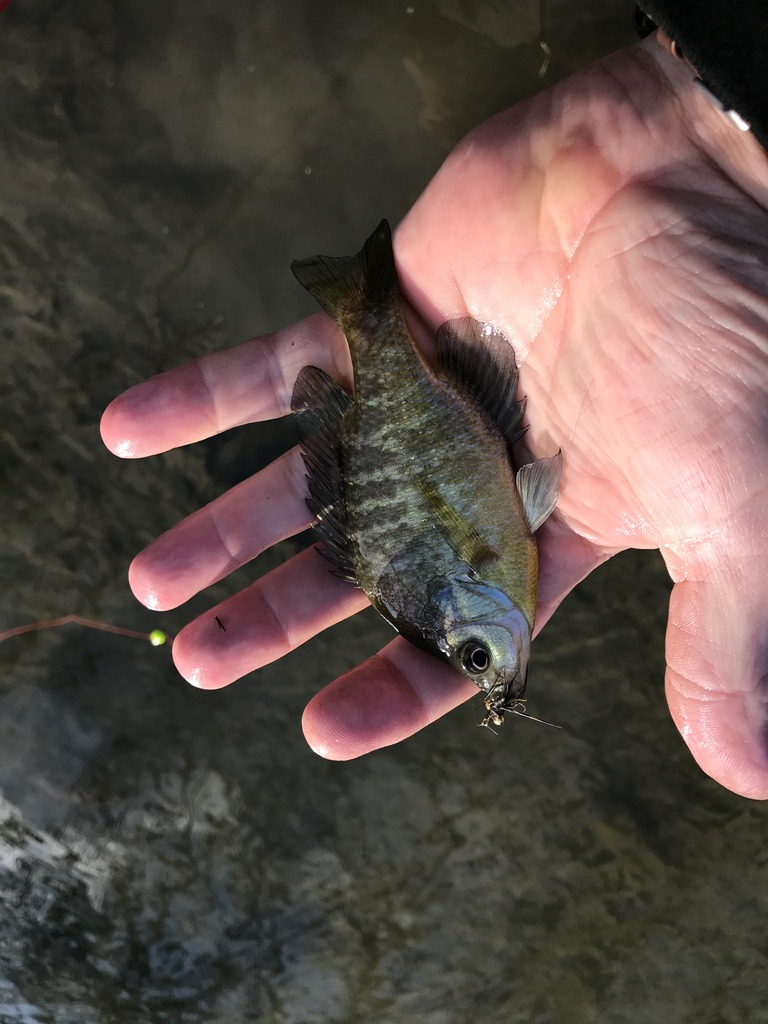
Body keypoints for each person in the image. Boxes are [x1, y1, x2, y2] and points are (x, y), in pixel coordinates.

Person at [100, 28, 768, 800]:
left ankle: (364, 298)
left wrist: (712, 130)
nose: (501, 666)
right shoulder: (492, 581)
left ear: (470, 608)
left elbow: (523, 496)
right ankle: (363, 300)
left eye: (481, 660)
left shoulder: (489, 573)